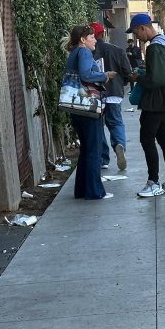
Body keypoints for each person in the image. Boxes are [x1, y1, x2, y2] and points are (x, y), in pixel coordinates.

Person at [127, 13, 165, 197]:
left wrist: (139, 77)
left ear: (143, 28)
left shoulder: (154, 48)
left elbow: (157, 78)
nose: (136, 37)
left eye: (136, 32)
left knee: (147, 139)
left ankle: (154, 182)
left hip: (155, 101)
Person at [64, 25, 116, 200]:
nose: (95, 40)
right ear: (82, 40)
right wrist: (104, 75)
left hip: (77, 107)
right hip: (88, 107)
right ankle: (95, 191)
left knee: (86, 150)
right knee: (93, 149)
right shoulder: (84, 52)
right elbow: (86, 75)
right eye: (92, 37)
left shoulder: (74, 53)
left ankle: (81, 190)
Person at [91, 22, 133, 171]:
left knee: (98, 126)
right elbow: (127, 72)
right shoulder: (117, 50)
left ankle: (103, 159)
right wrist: (122, 82)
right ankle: (119, 144)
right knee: (115, 122)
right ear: (104, 33)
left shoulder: (88, 51)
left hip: (95, 94)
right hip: (114, 92)